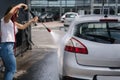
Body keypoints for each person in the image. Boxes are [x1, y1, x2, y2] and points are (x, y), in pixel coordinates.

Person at [0, 3, 38, 80]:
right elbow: (10, 13)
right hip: (7, 47)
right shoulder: (5, 20)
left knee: (8, 69)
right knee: (12, 69)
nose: (17, 16)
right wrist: (20, 5)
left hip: (8, 47)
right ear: (13, 12)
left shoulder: (12, 23)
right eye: (16, 14)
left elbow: (23, 27)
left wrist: (31, 21)